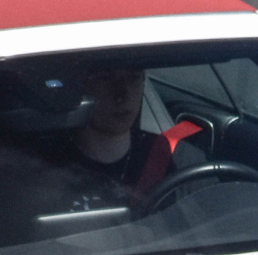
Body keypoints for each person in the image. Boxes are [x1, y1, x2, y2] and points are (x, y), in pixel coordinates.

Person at [66, 66, 204, 200]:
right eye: (105, 78)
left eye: (133, 78)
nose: (122, 95)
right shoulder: (54, 165)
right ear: (80, 87)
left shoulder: (171, 156)